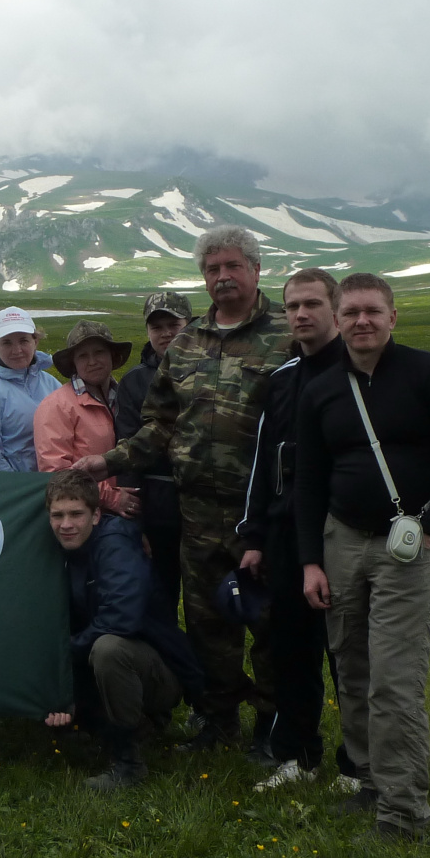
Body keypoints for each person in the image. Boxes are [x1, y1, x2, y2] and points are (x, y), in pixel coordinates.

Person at [77, 225, 292, 757]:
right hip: (196, 511)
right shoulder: (188, 342)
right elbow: (159, 425)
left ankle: (274, 727)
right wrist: (108, 461)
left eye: (233, 266)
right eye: (212, 269)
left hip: (262, 512)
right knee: (207, 623)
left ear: (256, 269)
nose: (223, 276)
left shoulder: (288, 335)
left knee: (271, 622)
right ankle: (219, 721)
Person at [296, 273, 430, 841]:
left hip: (404, 549)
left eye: (373, 311)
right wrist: (310, 561)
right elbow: (309, 481)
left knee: (394, 679)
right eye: (351, 312)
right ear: (338, 319)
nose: (362, 322)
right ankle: (371, 782)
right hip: (341, 541)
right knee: (351, 669)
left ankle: (404, 811)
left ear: (393, 317)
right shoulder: (321, 390)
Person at [234, 269, 350, 792]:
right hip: (284, 533)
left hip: (345, 530)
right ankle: (298, 756)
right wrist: (253, 536)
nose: (301, 314)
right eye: (292, 306)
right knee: (291, 649)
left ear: (335, 309)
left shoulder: (357, 373)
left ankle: (359, 763)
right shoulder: (281, 380)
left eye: (312, 304)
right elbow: (263, 462)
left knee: (349, 653)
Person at [42, 472, 203, 791]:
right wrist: (55, 695)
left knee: (109, 648)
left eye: (76, 514)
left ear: (96, 515)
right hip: (97, 662)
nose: (66, 524)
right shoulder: (55, 550)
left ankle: (128, 762)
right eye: (57, 516)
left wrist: (61, 664)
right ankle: (115, 725)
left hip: (156, 670)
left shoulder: (116, 545)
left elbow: (120, 620)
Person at [114, 292, 193, 616]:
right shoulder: (134, 382)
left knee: (210, 602)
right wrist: (136, 521)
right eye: (156, 327)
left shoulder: (213, 370)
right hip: (158, 507)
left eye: (173, 324)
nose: (165, 333)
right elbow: (128, 446)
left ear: (189, 324)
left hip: (206, 508)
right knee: (160, 599)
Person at [34, 322, 140, 519]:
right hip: (85, 518)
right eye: (83, 356)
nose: (92, 361)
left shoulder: (126, 397)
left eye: (99, 352)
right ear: (73, 363)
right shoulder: (55, 406)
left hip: (131, 509)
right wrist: (112, 498)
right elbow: (56, 472)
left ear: (112, 355)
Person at [0, 307, 61, 472]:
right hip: (17, 483)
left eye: (23, 341)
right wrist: (17, 483)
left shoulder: (51, 383)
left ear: (35, 341)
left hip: (58, 478)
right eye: (7, 342)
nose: (17, 350)